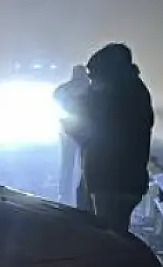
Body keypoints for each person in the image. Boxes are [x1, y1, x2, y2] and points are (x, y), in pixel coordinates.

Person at [76, 42, 154, 232]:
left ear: (107, 74)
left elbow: (95, 131)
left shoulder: (117, 97)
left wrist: (82, 109)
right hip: (120, 180)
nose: (92, 83)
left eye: (94, 77)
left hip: (112, 181)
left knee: (107, 237)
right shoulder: (132, 90)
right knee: (109, 235)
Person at [53, 64, 88, 207]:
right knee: (84, 165)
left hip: (69, 131)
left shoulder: (66, 88)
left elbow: (56, 95)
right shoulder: (90, 88)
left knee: (67, 164)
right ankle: (82, 195)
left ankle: (64, 194)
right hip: (85, 132)